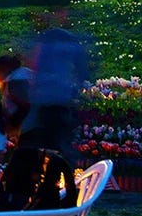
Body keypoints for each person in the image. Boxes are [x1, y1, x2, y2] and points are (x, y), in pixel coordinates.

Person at [16, 28, 92, 160]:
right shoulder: (69, 41)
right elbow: (83, 71)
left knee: (31, 143)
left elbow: (32, 65)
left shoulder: (45, 40)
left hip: (44, 103)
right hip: (60, 102)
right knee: (58, 145)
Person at [0, 53, 32, 140]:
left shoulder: (15, 81)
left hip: (29, 129)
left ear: (3, 69)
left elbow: (25, 106)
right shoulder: (24, 76)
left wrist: (11, 124)